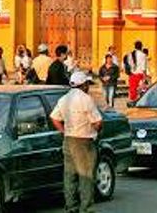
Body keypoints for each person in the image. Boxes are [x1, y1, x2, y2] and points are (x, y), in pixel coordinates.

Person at [51, 71, 103, 213]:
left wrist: (64, 131)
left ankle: (71, 207)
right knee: (86, 177)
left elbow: (55, 118)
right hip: (84, 141)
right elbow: (98, 122)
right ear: (84, 85)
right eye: (87, 84)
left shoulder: (64, 99)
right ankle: (86, 209)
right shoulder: (86, 99)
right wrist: (96, 131)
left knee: (70, 177)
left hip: (69, 139)